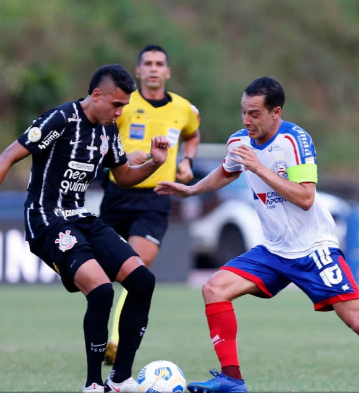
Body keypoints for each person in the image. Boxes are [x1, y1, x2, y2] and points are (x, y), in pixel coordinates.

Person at [155, 77, 359, 393]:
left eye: (254, 113)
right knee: (214, 289)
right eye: (243, 112)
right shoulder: (239, 142)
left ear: (276, 112)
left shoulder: (295, 141)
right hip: (275, 250)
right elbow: (228, 170)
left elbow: (306, 198)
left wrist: (260, 168)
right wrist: (192, 189)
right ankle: (231, 379)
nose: (246, 120)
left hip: (314, 249)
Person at [0, 64, 170, 393]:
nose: (120, 111)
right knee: (101, 291)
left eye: (125, 105)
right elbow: (8, 155)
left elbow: (123, 176)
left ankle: (121, 379)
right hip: (45, 218)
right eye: (116, 104)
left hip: (80, 216)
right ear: (96, 95)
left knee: (142, 281)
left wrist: (154, 163)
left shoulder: (108, 130)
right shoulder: (61, 119)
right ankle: (93, 384)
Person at [99, 44, 201, 365]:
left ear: (168, 72)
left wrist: (186, 160)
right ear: (139, 71)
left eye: (160, 63)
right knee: (99, 275)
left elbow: (193, 134)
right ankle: (100, 333)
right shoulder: (124, 104)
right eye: (148, 64)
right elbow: (100, 136)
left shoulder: (183, 108)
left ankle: (114, 342)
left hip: (155, 198)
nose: (154, 68)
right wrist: (117, 158)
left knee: (137, 269)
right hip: (118, 194)